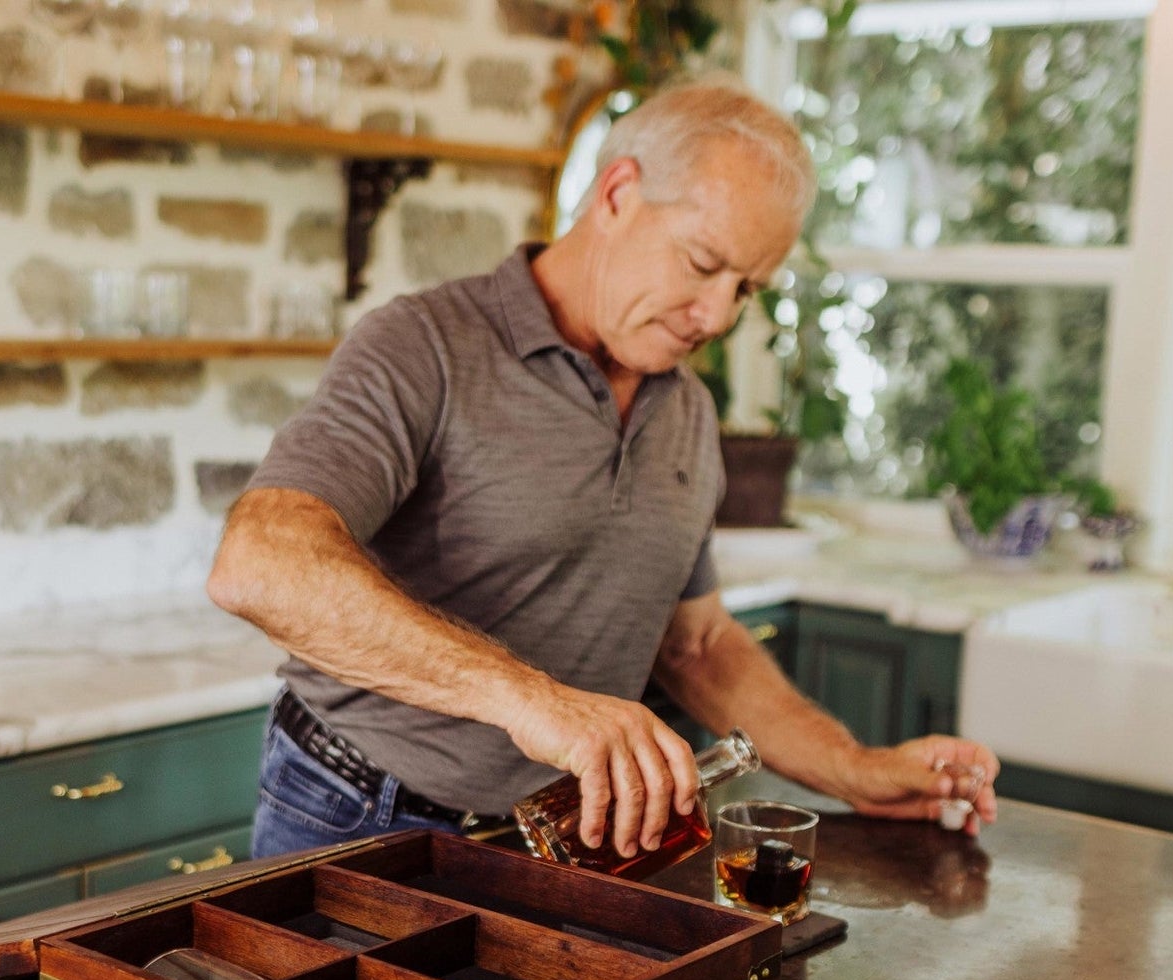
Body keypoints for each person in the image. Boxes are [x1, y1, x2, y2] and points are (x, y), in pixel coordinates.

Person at [208, 78, 1001, 862]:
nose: (718, 316)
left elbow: (696, 644)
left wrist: (855, 770)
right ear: (618, 194)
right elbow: (261, 562)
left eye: (747, 288)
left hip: (561, 842)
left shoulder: (685, 410)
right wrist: (533, 702)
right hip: (360, 819)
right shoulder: (426, 346)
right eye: (702, 263)